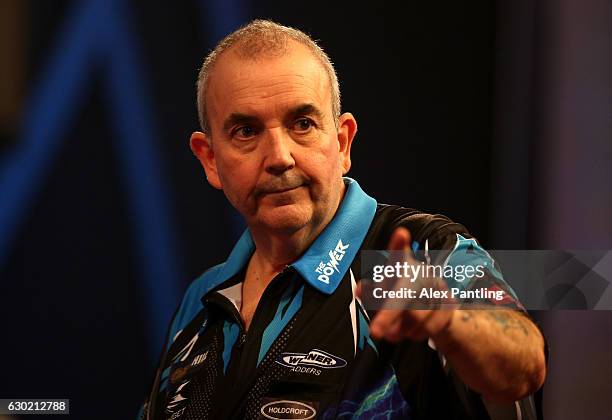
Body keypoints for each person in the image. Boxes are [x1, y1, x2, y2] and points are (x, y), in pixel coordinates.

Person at [138, 20, 546, 420]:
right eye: (246, 131)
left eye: (302, 124)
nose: (280, 157)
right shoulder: (202, 297)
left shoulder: (421, 253)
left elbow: (524, 366)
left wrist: (451, 324)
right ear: (210, 159)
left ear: (342, 141)